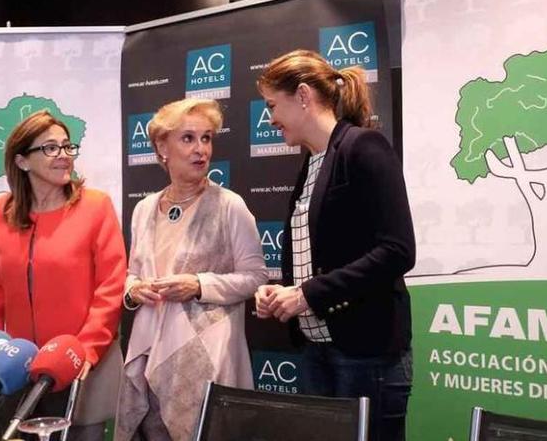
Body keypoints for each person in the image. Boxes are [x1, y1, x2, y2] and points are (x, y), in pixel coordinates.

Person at [254, 50, 416, 441]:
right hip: (317, 350)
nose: (270, 118)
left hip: (366, 353)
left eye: (273, 105)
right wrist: (285, 294)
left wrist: (308, 294)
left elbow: (397, 250)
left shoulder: (364, 147)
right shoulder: (311, 162)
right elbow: (324, 255)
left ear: (304, 96)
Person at [115, 98, 268, 441]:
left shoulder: (230, 205)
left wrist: (199, 285)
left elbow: (256, 277)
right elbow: (131, 275)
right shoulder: (144, 209)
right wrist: (133, 290)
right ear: (161, 146)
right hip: (148, 353)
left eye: (207, 138)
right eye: (188, 138)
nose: (201, 150)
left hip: (207, 358)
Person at [0, 110, 126, 440]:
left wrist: (84, 350)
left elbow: (111, 285)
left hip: (83, 366)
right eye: (50, 148)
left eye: (66, 146)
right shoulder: (1, 211)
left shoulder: (95, 206)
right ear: (22, 161)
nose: (63, 155)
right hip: (19, 367)